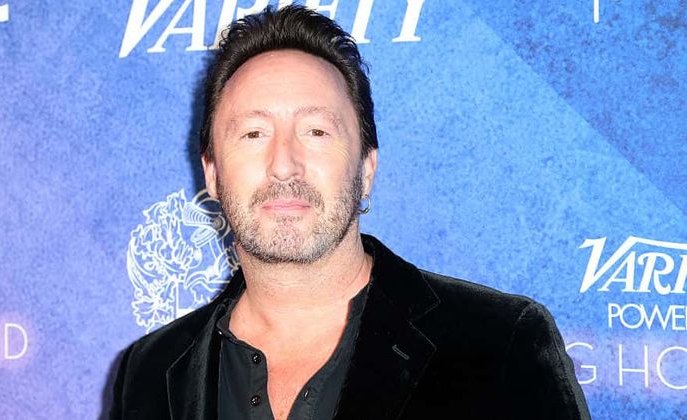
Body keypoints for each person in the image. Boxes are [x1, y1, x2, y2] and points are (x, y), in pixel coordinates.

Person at [110, 5, 590, 420]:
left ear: (366, 169)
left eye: (316, 132)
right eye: (253, 134)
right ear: (212, 174)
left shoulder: (498, 345)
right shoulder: (150, 370)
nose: (284, 164)